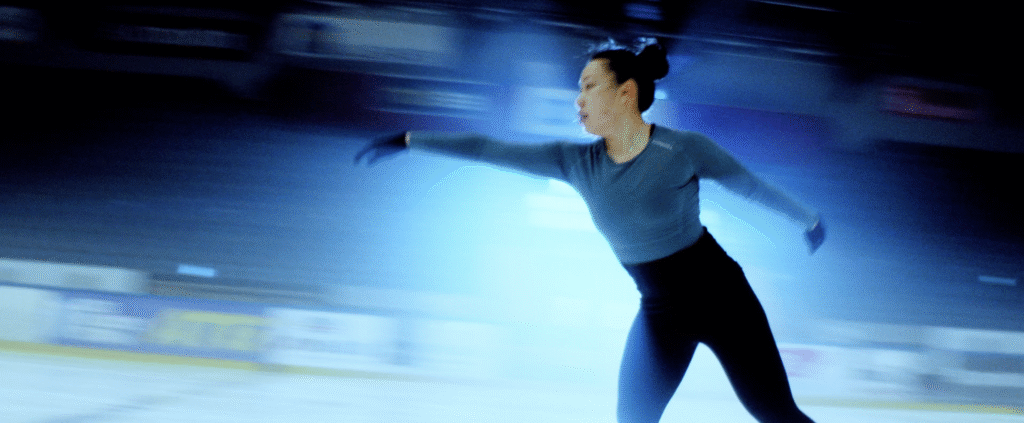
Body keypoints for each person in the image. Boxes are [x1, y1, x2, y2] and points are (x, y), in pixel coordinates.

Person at [355, 38, 824, 423]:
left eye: (589, 86)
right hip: (661, 312)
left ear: (625, 93)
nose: (577, 100)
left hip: (724, 300)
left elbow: (750, 186)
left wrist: (809, 219)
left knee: (773, 412)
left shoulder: (683, 149)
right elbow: (486, 148)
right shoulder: (574, 162)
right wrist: (408, 140)